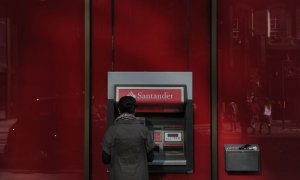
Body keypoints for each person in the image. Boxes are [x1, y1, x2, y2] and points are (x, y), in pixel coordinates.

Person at [102, 96, 154, 180]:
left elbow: (105, 159)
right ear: (134, 110)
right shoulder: (144, 130)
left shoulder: (112, 130)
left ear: (119, 110)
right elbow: (151, 158)